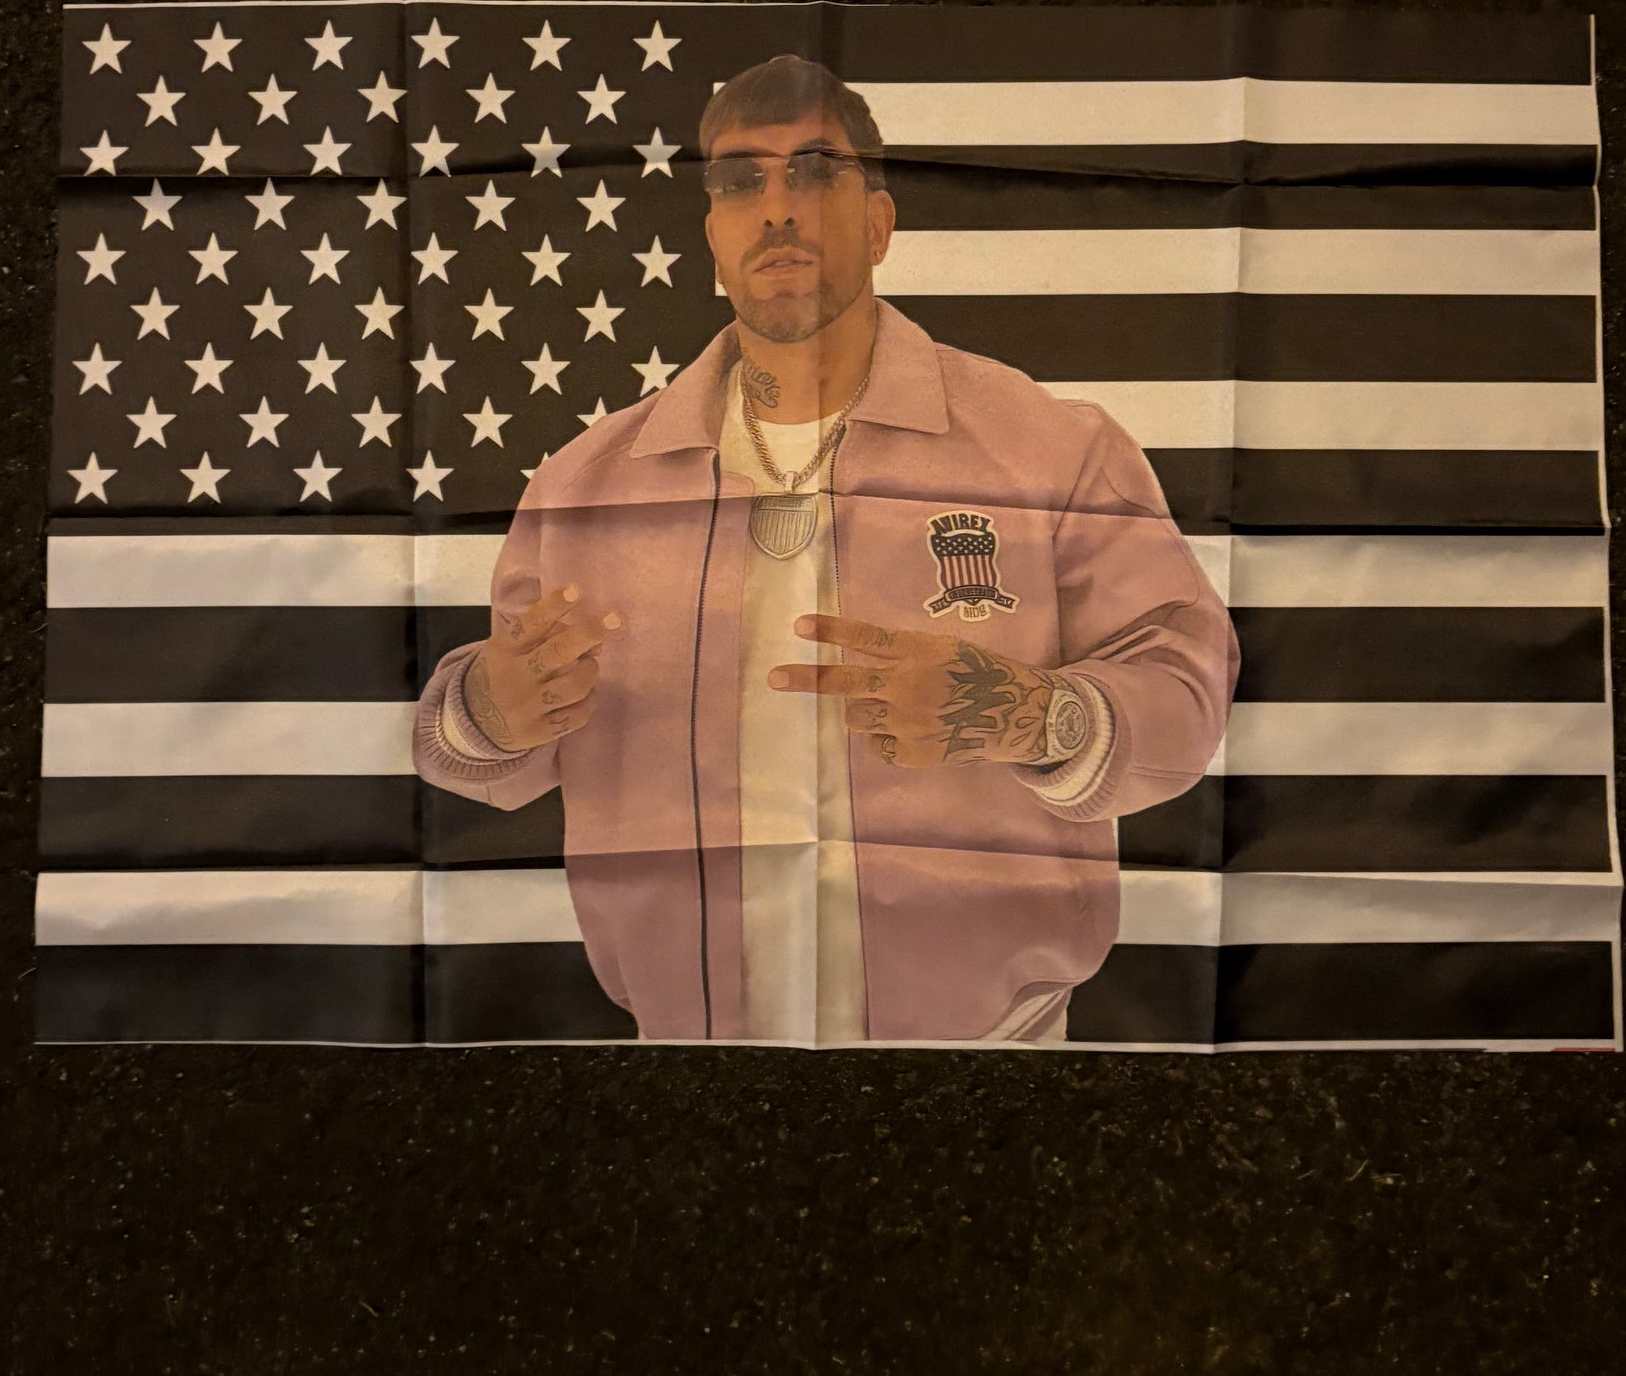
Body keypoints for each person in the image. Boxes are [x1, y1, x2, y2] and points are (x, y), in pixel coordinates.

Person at [414, 55, 1237, 1045]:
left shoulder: (1049, 448)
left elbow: (1185, 689)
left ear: (879, 224)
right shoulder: (586, 486)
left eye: (813, 171)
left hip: (985, 1057)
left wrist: (1029, 713)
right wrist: (488, 708)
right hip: (685, 1055)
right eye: (739, 181)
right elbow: (476, 749)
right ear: (712, 238)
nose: (776, 206)